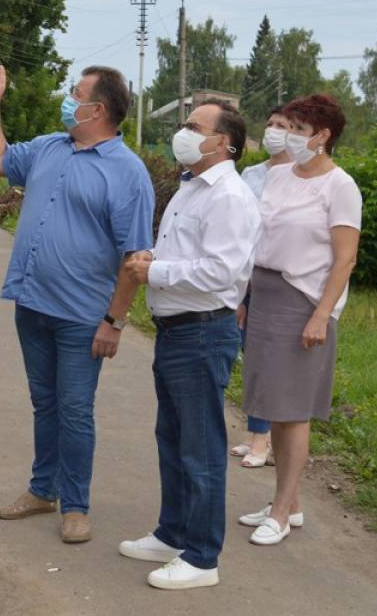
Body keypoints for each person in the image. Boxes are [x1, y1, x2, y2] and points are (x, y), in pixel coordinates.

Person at [0, 64, 155, 544]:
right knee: (45, 403)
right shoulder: (47, 147)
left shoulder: (128, 173)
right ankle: (42, 489)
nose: (66, 98)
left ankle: (76, 505)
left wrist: (114, 321)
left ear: (96, 109)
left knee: (75, 409)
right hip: (32, 304)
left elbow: (135, 256)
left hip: (82, 316)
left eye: (74, 92)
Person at [119, 99, 261, 590]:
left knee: (200, 447)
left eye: (193, 126)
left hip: (203, 331)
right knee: (173, 439)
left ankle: (202, 557)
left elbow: (222, 272)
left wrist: (153, 271)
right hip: (176, 330)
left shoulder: (228, 196)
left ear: (223, 142)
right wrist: (154, 257)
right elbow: (190, 256)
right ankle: (173, 532)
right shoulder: (190, 188)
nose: (183, 132)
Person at [239, 93, 362, 546]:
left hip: (303, 301)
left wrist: (321, 314)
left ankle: (282, 511)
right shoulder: (280, 177)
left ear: (322, 136)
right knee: (270, 404)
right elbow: (258, 238)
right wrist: (244, 295)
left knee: (292, 413)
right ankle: (289, 503)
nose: (287, 137)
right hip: (265, 294)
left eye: (297, 129)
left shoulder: (340, 186)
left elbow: (344, 260)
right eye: (286, 127)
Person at [231, 106, 294, 468]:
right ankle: (256, 434)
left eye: (282, 126)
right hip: (248, 277)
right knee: (251, 359)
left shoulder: (300, 176)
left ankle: (265, 442)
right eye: (269, 124)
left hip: (279, 280)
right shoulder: (251, 174)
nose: (273, 131)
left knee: (271, 363)